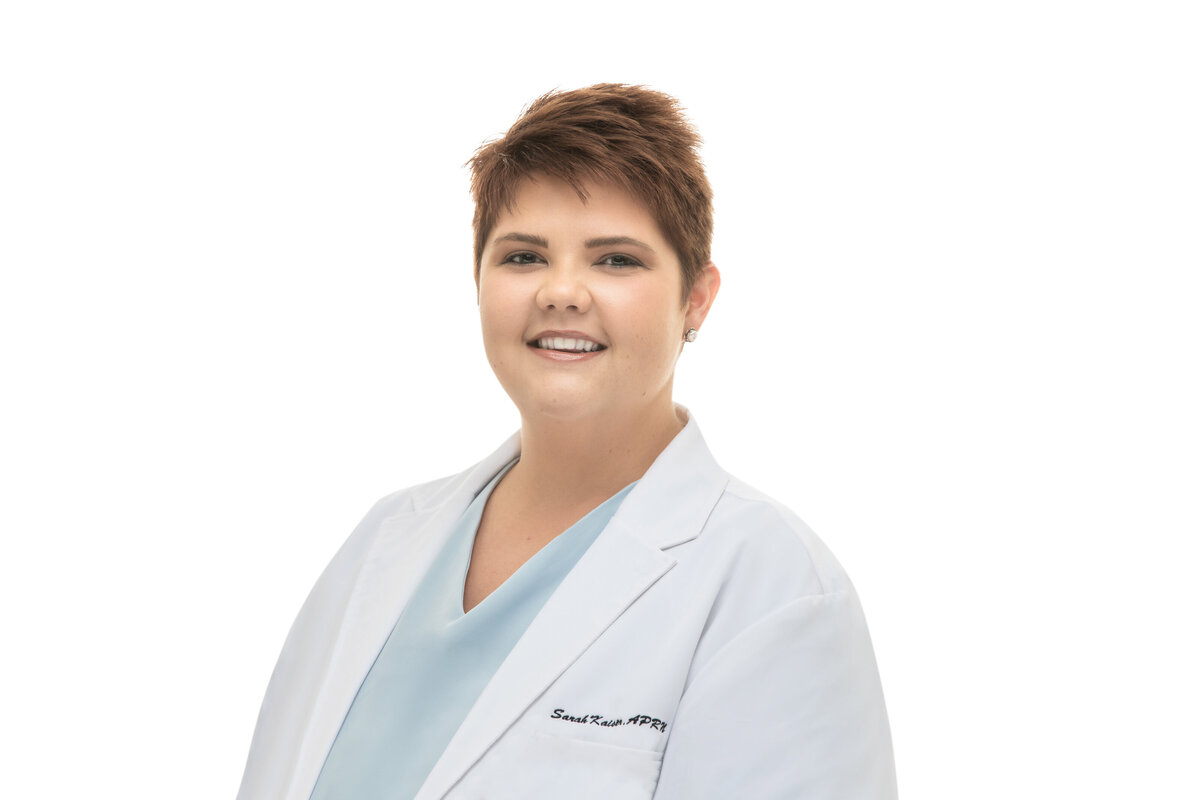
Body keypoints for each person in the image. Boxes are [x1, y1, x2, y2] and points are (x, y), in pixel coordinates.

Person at [237, 84, 897, 800]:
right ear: (479, 280)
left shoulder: (772, 589)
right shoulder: (383, 543)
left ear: (696, 299)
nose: (562, 291)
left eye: (616, 260)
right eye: (523, 257)